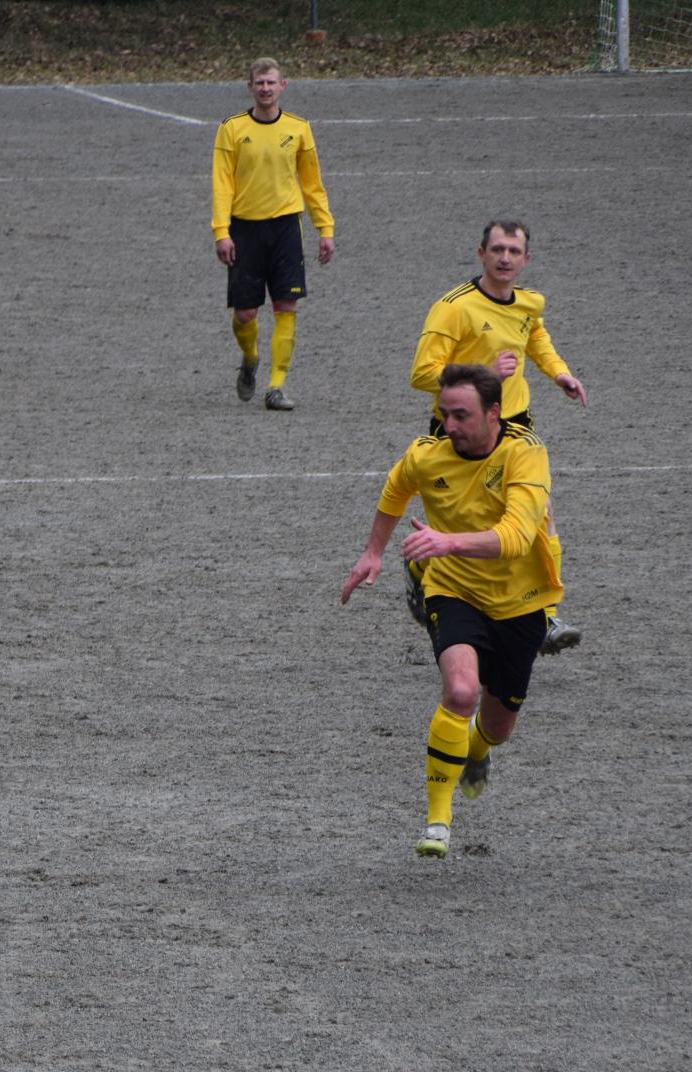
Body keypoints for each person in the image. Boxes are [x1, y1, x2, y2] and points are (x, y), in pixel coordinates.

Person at [341, 363, 561, 860]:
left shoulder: (525, 456)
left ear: (494, 413)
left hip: (521, 602)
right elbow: (396, 489)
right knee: (461, 690)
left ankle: (477, 751)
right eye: (443, 414)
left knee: (499, 726)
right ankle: (437, 822)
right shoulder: (427, 453)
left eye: (460, 415)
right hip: (453, 589)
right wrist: (373, 550)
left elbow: (516, 538)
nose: (449, 425)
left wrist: (445, 540)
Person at [409, 220, 586, 654]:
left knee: (539, 513)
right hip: (461, 426)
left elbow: (535, 337)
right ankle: (420, 573)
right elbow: (421, 374)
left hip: (515, 423)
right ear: (481, 254)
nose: (505, 258)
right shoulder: (453, 308)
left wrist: (558, 372)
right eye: (497, 250)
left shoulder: (529, 303)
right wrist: (484, 374)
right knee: (465, 520)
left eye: (514, 251)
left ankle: (545, 616)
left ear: (526, 259)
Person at [211, 56, 335, 412]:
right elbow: (221, 184)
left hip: (285, 228)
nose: (266, 89)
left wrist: (324, 229)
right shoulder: (231, 128)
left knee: (286, 306)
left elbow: (313, 184)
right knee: (246, 314)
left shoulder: (299, 128)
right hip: (244, 229)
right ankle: (250, 357)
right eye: (259, 83)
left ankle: (276, 387)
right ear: (250, 87)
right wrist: (222, 231)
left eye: (272, 83)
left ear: (283, 87)